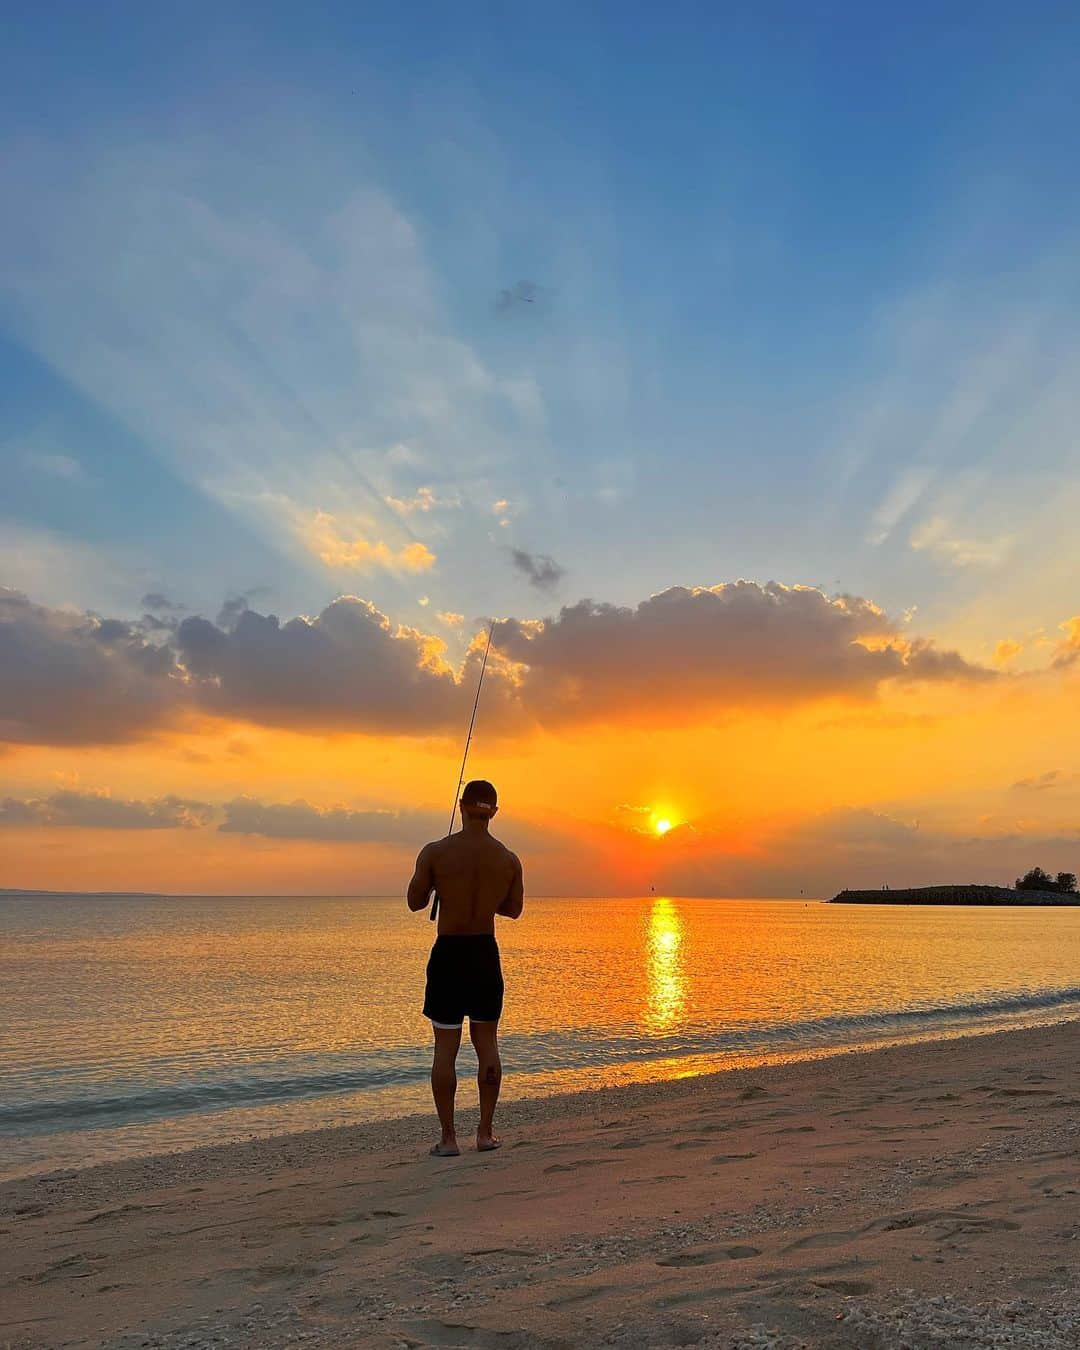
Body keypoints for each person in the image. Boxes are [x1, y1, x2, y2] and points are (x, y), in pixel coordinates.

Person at [407, 779, 524, 1156]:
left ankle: (447, 1139)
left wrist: (441, 885)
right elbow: (513, 910)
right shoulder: (508, 859)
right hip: (483, 954)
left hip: (449, 954)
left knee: (446, 1048)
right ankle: (486, 1134)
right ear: (494, 811)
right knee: (487, 1043)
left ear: (461, 805)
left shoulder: (436, 851)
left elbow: (414, 901)